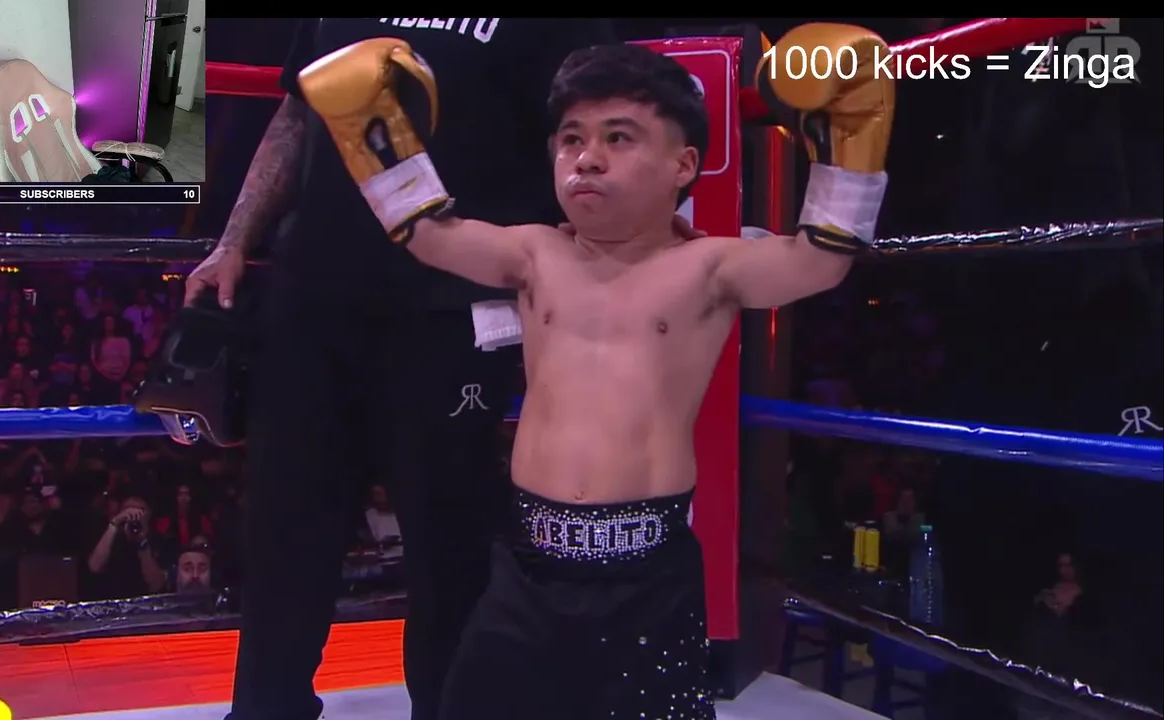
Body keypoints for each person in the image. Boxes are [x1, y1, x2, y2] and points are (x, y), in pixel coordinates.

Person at [301, 23, 892, 718]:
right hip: (528, 562)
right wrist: (370, 132)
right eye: (572, 139)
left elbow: (820, 259)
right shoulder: (534, 253)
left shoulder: (708, 266)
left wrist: (853, 135)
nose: (587, 158)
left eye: (619, 137)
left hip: (647, 570)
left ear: (683, 164)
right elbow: (428, 234)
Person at [184, 18, 617, 720]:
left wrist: (579, 256)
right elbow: (297, 113)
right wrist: (234, 241)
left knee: (450, 546)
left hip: (453, 308)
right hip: (314, 297)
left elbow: (579, 130)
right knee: (284, 530)